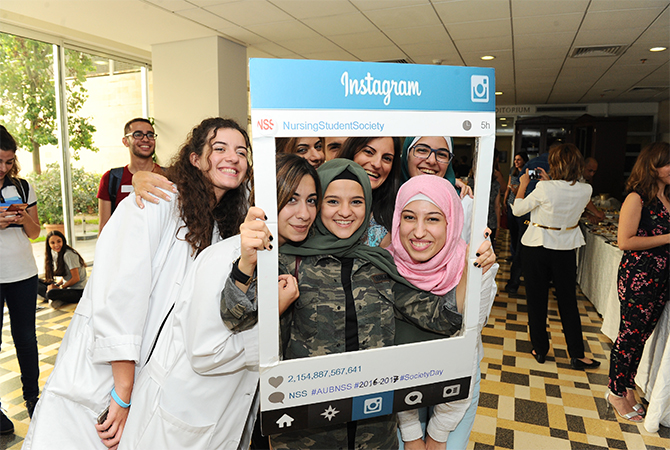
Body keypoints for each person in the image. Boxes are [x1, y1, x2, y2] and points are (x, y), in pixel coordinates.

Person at [24, 117, 252, 450]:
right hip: (107, 378)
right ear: (195, 158)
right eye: (220, 148)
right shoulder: (156, 202)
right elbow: (119, 295)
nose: (233, 157)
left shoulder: (221, 229)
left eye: (241, 152)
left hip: (152, 382)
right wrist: (123, 392)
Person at [117, 153, 317, 449]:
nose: (304, 213)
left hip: (220, 418)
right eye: (291, 199)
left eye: (312, 200)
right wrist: (273, 311)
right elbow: (206, 353)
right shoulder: (225, 257)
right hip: (179, 418)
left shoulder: (279, 260)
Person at [389, 175, 498, 450]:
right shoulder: (385, 268)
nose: (419, 231)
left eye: (433, 219)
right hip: (398, 391)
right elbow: (391, 358)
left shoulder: (476, 265)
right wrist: (411, 433)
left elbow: (464, 351)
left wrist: (438, 434)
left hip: (456, 389)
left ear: (452, 222)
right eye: (409, 217)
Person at [512, 144, 600, 370]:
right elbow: (564, 193)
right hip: (566, 248)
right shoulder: (585, 189)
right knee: (568, 301)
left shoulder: (544, 188)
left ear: (554, 164)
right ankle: (577, 354)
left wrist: (523, 185)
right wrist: (550, 181)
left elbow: (518, 209)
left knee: (537, 299)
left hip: (537, 246)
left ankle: (540, 348)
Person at [606, 142, 670, 422]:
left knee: (642, 336)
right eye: (667, 163)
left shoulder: (666, 196)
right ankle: (615, 391)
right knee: (629, 336)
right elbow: (625, 241)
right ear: (652, 166)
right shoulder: (637, 198)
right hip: (639, 276)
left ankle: (628, 385)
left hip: (661, 278)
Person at [0, 125, 41, 432]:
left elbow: (36, 232)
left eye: (9, 161)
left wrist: (23, 216)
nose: (4, 168)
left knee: (26, 339)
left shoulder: (23, 187)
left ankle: (33, 399)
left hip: (24, 274)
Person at [96, 117, 163, 233]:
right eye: (138, 134)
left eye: (150, 135)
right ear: (125, 141)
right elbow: (104, 227)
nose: (145, 139)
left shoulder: (169, 176)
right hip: (123, 244)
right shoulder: (112, 179)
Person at [339, 136, 402, 247]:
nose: (377, 164)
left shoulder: (392, 223)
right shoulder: (320, 199)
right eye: (368, 152)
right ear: (351, 151)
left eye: (387, 158)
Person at [505, 148, 550, 294]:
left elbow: (521, 182)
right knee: (543, 250)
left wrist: (522, 187)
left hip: (527, 210)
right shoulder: (559, 168)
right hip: (546, 213)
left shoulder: (533, 163)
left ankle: (513, 283)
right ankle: (540, 283)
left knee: (521, 247)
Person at [38, 230, 88, 306]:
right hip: (67, 288)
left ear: (63, 241)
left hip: (78, 291)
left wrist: (60, 287)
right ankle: (55, 298)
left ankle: (51, 297)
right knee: (36, 281)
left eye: (59, 241)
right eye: (52, 243)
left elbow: (76, 278)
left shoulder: (68, 255)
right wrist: (56, 285)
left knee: (51, 293)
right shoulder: (57, 253)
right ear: (49, 244)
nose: (56, 245)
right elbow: (66, 276)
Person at [503, 152, 529, 259]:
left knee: (520, 230)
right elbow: (508, 186)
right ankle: (513, 253)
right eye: (515, 159)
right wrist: (504, 200)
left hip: (521, 204)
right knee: (512, 230)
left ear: (524, 160)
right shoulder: (512, 170)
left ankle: (520, 255)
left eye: (519, 159)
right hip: (511, 203)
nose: (516, 162)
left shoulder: (526, 173)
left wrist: (516, 190)